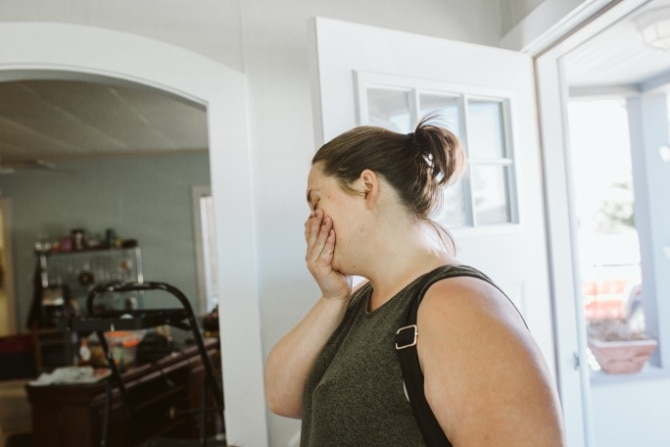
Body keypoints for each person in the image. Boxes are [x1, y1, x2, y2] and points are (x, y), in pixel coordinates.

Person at [264, 116, 566, 446]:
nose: (312, 221)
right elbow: (282, 397)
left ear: (368, 187)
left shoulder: (455, 305)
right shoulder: (358, 299)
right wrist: (332, 298)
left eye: (317, 201)